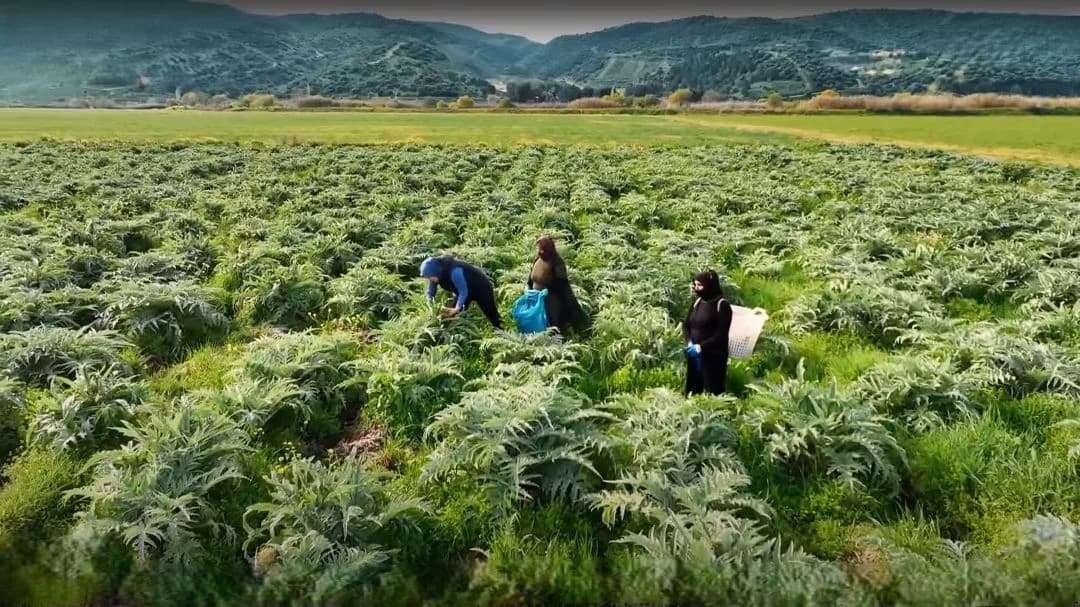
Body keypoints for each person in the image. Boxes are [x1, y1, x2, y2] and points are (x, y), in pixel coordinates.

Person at [682, 270, 732, 396]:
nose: (696, 288)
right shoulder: (697, 302)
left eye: (700, 285)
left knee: (712, 389)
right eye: (695, 285)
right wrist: (689, 342)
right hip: (695, 354)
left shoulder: (722, 306)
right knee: (693, 388)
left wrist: (701, 347)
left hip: (713, 356)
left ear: (710, 285)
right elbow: (686, 324)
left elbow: (721, 334)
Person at [420, 255, 503, 329]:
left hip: (481, 288)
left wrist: (457, 308)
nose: (429, 280)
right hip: (461, 293)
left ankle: (502, 331)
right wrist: (430, 307)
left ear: (436, 272)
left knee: (492, 315)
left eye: (430, 277)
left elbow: (463, 291)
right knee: (451, 317)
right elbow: (430, 293)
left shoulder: (455, 271)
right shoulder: (435, 274)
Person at [527, 236, 583, 334]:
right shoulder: (537, 260)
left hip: (551, 296)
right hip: (536, 296)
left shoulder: (557, 262)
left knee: (553, 320)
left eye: (543, 250)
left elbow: (561, 283)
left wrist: (547, 290)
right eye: (540, 250)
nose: (541, 252)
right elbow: (531, 278)